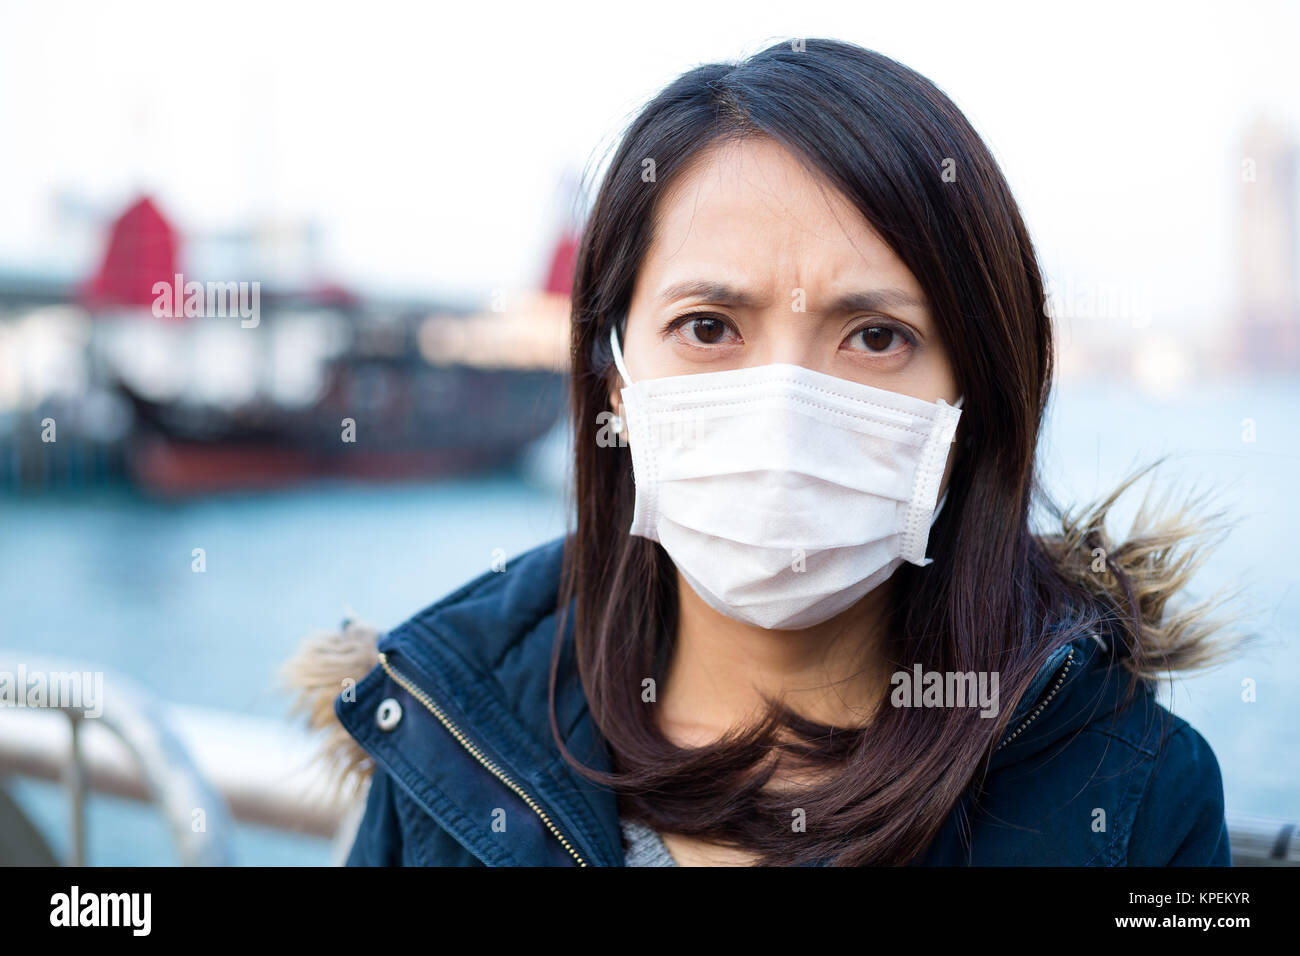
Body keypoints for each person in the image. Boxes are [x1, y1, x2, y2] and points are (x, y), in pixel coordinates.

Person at [285, 37, 1241, 866]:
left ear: (971, 400)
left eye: (874, 336)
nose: (784, 409)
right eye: (709, 328)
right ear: (618, 380)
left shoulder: (1129, 792)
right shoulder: (452, 729)